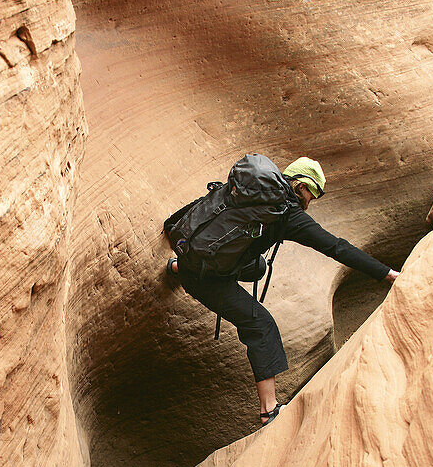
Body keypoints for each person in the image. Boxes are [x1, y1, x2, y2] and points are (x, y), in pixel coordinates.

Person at [166, 155, 399, 425]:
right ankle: (269, 410)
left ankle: (177, 268)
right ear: (300, 186)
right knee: (261, 325)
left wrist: (173, 227)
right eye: (311, 195)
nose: (309, 203)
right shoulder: (287, 215)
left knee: (258, 267)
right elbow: (336, 247)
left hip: (190, 253)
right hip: (204, 279)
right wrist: (386, 273)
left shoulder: (249, 186)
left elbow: (208, 206)